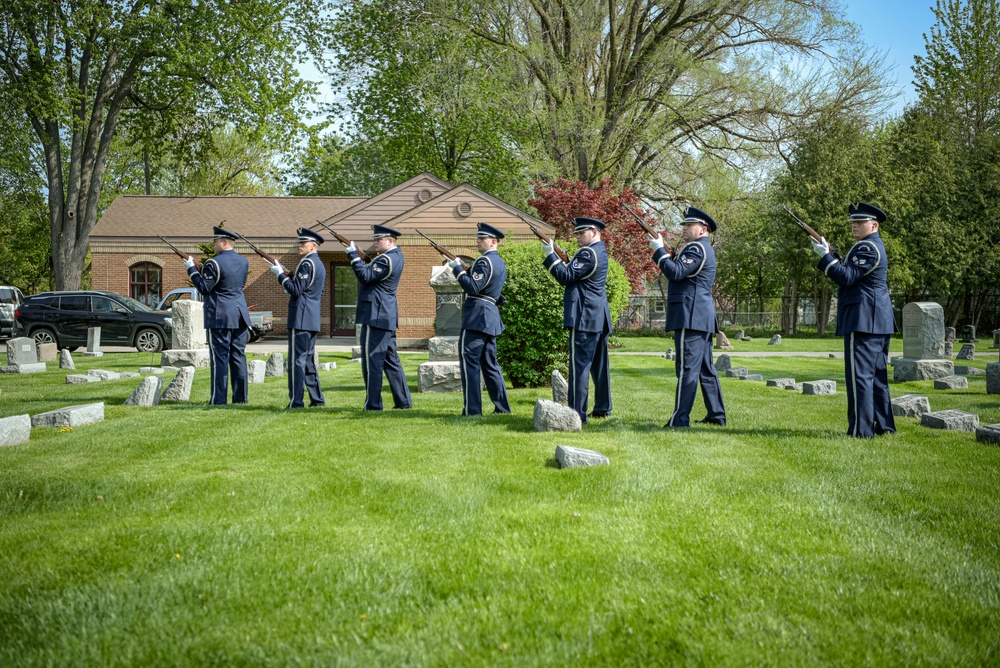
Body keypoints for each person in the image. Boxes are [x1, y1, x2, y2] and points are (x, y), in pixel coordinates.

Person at [812, 202, 896, 438]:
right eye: (853, 222)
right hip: (875, 320)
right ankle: (885, 427)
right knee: (877, 378)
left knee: (860, 378)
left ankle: (861, 431)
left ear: (874, 224)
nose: (854, 226)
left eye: (860, 222)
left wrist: (825, 259)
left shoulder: (867, 247)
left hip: (864, 320)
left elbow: (847, 277)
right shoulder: (867, 246)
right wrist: (830, 253)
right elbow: (853, 273)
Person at [650, 207, 726, 428]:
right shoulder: (699, 247)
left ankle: (679, 419)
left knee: (687, 370)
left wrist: (659, 252)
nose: (684, 229)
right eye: (683, 225)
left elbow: (674, 273)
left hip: (691, 315)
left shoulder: (696, 248)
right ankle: (716, 414)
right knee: (704, 369)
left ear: (702, 229)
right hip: (699, 315)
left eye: (688, 225)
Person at [543, 217, 612, 423]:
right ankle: (602, 407)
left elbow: (565, 277)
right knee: (599, 366)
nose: (578, 237)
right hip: (597, 316)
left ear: (594, 231)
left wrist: (550, 255)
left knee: (579, 367)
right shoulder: (600, 251)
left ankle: (576, 413)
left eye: (581, 233)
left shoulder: (588, 253)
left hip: (584, 316)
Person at [342, 224, 412, 411]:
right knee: (390, 360)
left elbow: (365, 276)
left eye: (378, 239)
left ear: (390, 241)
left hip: (376, 315)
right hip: (383, 315)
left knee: (371, 360)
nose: (375, 242)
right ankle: (403, 401)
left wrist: (353, 256)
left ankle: (373, 404)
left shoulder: (387, 259)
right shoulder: (392, 257)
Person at [184, 226, 252, 404]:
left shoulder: (213, 263)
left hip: (220, 315)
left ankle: (218, 399)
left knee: (220, 358)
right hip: (239, 313)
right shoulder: (243, 261)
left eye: (215, 242)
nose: (213, 245)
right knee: (238, 357)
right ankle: (240, 399)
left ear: (224, 242)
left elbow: (205, 288)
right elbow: (239, 285)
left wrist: (192, 269)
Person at [450, 222, 511, 416]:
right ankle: (502, 408)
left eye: (482, 238)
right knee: (490, 365)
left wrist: (457, 269)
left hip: (477, 316)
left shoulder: (484, 262)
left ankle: (472, 410)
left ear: (493, 241)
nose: (478, 241)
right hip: (490, 316)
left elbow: (472, 288)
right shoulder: (499, 262)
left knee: (470, 364)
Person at [269, 227, 326, 409]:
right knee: (307, 360)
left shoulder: (307, 263)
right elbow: (316, 292)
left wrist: (280, 275)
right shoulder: (319, 264)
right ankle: (317, 399)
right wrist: (290, 276)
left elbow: (296, 290)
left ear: (313, 245)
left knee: (297, 362)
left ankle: (296, 401)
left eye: (303, 243)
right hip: (311, 317)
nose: (299, 245)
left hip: (300, 318)